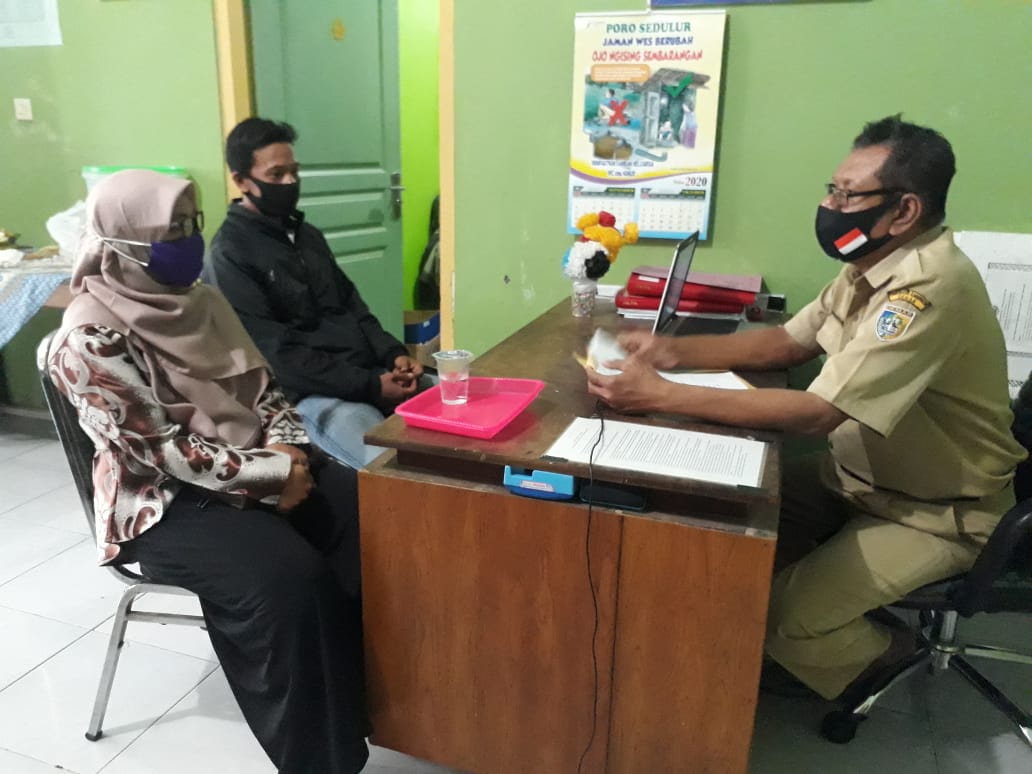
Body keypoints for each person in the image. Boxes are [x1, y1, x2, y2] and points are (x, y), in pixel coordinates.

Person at [585, 115, 1026, 702]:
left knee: (785, 621)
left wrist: (660, 394)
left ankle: (884, 655)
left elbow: (820, 413)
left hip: (936, 512)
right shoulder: (869, 264)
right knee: (718, 518)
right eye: (831, 189)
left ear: (904, 211)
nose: (830, 205)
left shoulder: (927, 289)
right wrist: (671, 351)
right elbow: (788, 342)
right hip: (853, 478)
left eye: (847, 194)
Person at [47, 169, 370, 774]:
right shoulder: (88, 338)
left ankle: (382, 708)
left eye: (191, 223)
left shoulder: (205, 301)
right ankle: (320, 759)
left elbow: (266, 389)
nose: (189, 240)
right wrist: (271, 478)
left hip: (256, 459)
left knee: (372, 522)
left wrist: (288, 450)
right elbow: (158, 451)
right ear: (122, 241)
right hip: (165, 502)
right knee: (289, 580)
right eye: (170, 230)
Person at [203, 117, 428, 469]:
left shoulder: (307, 236)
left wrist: (393, 354)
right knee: (390, 468)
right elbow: (277, 356)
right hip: (310, 394)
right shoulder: (230, 254)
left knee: (457, 410)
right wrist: (370, 386)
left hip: (364, 373)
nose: (290, 183)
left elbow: (353, 307)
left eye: (294, 172)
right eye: (276, 174)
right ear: (241, 180)